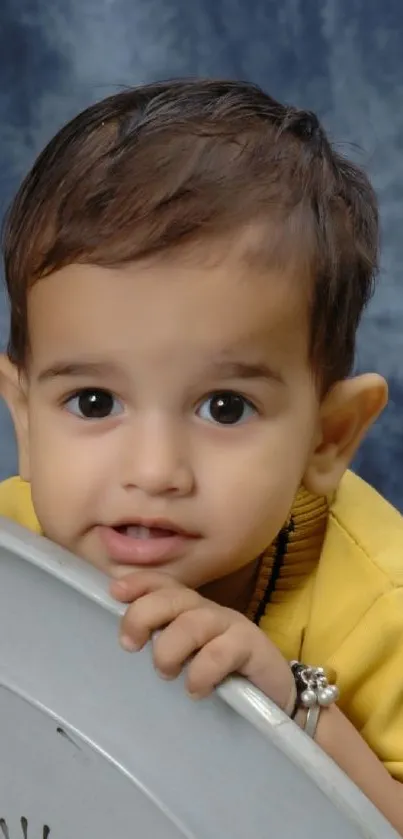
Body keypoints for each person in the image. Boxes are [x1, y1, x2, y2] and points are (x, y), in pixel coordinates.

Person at [0, 79, 402, 831]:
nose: (153, 471)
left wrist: (291, 709)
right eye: (93, 402)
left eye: (224, 407)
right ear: (23, 415)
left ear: (327, 438)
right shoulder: (12, 558)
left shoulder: (382, 607)